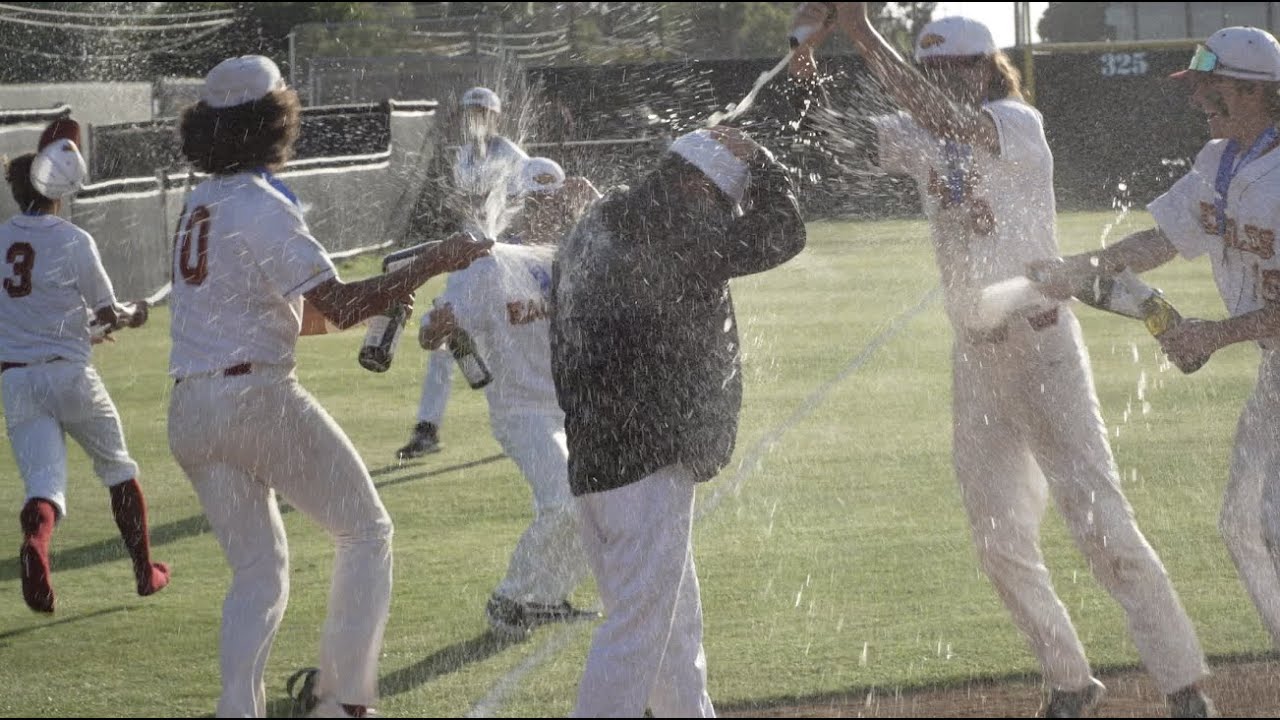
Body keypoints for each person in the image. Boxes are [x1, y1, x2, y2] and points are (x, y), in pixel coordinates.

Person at [810, 4, 1216, 717]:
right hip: (977, 361)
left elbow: (953, 125)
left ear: (985, 66)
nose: (942, 78)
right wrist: (806, 59)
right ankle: (1069, 680)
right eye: (930, 67)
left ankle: (1184, 687)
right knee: (995, 539)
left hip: (1045, 348)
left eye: (954, 65)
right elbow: (835, 141)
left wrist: (863, 31)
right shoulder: (921, 133)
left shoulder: (1016, 124)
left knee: (1101, 525)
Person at [167, 55, 490, 719]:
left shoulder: (199, 202)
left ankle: (239, 711)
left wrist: (385, 296)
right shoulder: (259, 203)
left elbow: (299, 316)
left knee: (258, 573)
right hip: (252, 398)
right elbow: (337, 305)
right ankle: (343, 703)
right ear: (273, 120)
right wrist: (434, 261)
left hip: (191, 407)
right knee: (366, 531)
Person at [1038, 23, 1280, 668]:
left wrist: (1213, 334)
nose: (1196, 97)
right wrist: (1082, 267)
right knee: (1242, 525)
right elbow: (1163, 240)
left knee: (1270, 525)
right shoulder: (1220, 162)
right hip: (1275, 368)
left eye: (1208, 86)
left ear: (1249, 90)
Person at [551, 125, 806, 717]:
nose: (723, 215)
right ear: (697, 185)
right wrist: (764, 162)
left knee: (672, 627)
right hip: (647, 460)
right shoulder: (676, 227)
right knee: (636, 635)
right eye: (722, 201)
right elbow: (783, 233)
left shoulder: (601, 221)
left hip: (596, 456)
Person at [418, 157, 602, 637]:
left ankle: (544, 598)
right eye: (534, 202)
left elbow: (634, 255)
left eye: (553, 200)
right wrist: (437, 330)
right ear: (517, 206)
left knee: (595, 503)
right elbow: (432, 332)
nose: (545, 211)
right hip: (521, 409)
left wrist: (598, 203)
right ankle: (510, 598)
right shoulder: (488, 264)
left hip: (575, 406)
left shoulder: (575, 252)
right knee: (565, 500)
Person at [0, 118, 169, 615]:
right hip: (70, 374)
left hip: (16, 378)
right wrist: (133, 314)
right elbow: (106, 311)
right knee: (118, 469)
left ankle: (36, 548)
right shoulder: (73, 240)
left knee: (43, 488)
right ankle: (145, 572)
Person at [398, 86, 530, 461]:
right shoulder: (464, 157)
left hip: (501, 262)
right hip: (466, 261)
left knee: (513, 340)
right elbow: (467, 206)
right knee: (442, 339)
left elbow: (527, 203)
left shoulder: (512, 154)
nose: (474, 118)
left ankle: (536, 417)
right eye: (470, 111)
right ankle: (427, 429)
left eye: (481, 111)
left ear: (495, 117)